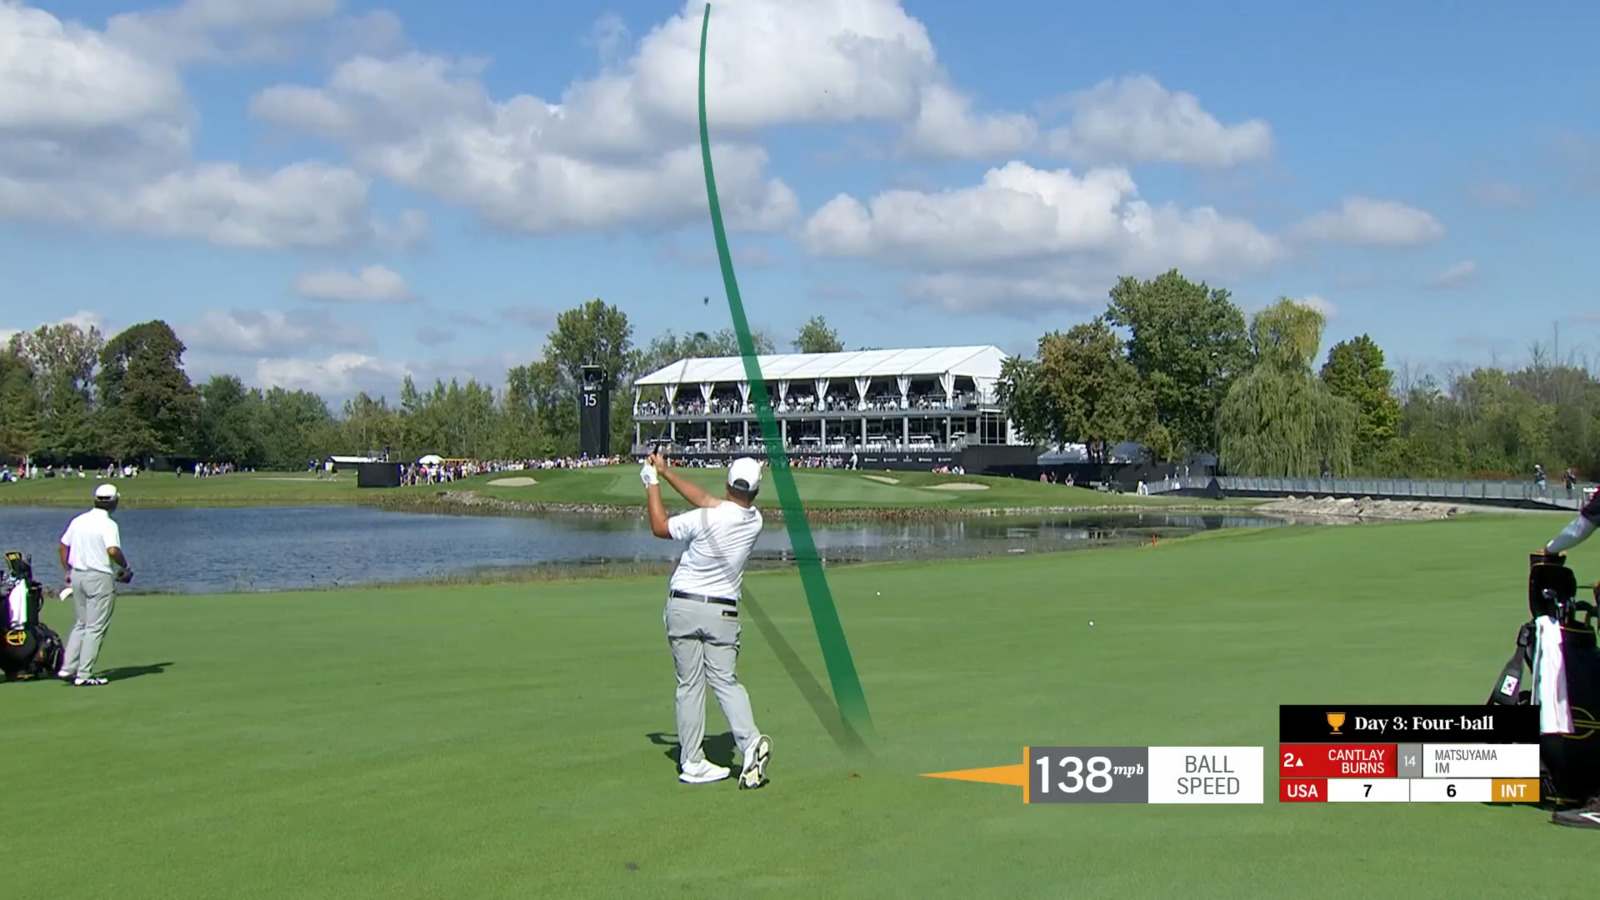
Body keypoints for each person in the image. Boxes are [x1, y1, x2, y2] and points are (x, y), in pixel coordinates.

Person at [641, 450, 772, 789]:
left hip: (683, 606)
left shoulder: (704, 518)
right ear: (755, 492)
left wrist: (652, 481)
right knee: (725, 681)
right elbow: (708, 500)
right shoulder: (755, 521)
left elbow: (659, 527)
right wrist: (667, 472)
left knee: (689, 685)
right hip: (722, 613)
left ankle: (692, 762)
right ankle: (750, 742)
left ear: (727, 484)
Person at [57, 484, 133, 686]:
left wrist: (67, 571)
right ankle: (84, 674)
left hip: (77, 576)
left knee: (81, 623)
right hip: (99, 577)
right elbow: (112, 550)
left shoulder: (79, 520)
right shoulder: (109, 524)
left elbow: (63, 546)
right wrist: (126, 566)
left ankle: (67, 668)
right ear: (114, 501)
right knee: (95, 627)